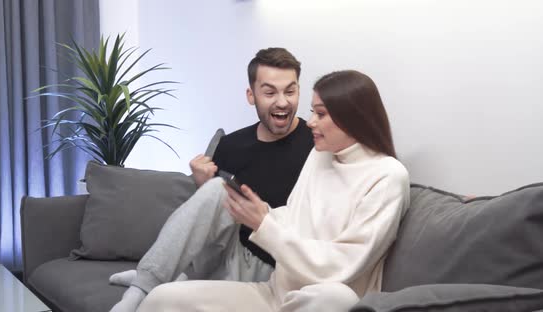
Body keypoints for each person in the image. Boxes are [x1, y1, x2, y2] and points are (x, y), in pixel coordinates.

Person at [135, 70, 411, 312]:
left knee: (336, 298)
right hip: (273, 295)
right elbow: (294, 218)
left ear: (352, 118)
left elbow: (341, 266)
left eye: (321, 114)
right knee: (162, 299)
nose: (310, 121)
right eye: (313, 111)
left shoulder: (388, 176)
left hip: (319, 300)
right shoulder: (321, 156)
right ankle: (145, 285)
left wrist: (264, 225)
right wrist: (260, 213)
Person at [109, 47, 314, 312]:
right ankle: (145, 284)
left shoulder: (315, 143)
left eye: (290, 90)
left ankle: (161, 278)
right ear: (251, 96)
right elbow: (212, 221)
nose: (283, 102)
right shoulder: (231, 144)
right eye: (270, 92)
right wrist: (202, 186)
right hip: (227, 253)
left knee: (222, 194)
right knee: (217, 189)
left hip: (274, 263)